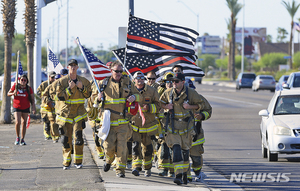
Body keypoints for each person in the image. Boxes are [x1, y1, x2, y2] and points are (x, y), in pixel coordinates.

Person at [160, 72, 206, 185]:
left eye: (176, 81)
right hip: (173, 128)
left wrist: (190, 107)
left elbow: (202, 105)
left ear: (183, 82)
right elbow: (159, 103)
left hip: (187, 129)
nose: (173, 84)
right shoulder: (167, 93)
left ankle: (185, 174)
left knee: (185, 152)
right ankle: (178, 175)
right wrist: (166, 106)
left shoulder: (191, 93)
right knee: (176, 150)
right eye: (172, 81)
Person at [97, 61, 136, 178]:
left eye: (120, 71)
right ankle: (109, 160)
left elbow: (140, 96)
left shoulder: (128, 83)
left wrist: (134, 97)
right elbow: (94, 102)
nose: (118, 74)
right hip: (109, 123)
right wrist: (98, 99)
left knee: (122, 147)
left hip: (123, 123)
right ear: (111, 71)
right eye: (116, 71)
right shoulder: (103, 83)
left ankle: (120, 170)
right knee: (108, 147)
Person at [55, 59, 92, 170]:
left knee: (79, 138)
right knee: (66, 140)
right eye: (71, 66)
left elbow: (88, 94)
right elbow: (59, 97)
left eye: (75, 65)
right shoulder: (62, 82)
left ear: (77, 67)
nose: (73, 67)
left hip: (79, 114)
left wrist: (82, 87)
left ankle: (78, 162)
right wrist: (69, 89)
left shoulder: (84, 81)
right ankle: (66, 162)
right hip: (66, 114)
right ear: (68, 67)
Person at [130, 71, 160, 177]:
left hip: (148, 125)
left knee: (148, 148)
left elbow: (159, 105)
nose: (140, 80)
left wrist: (150, 107)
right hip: (135, 125)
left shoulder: (152, 91)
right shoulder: (130, 90)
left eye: (142, 78)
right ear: (134, 80)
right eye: (137, 78)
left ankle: (147, 168)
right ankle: (136, 167)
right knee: (135, 146)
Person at [7, 74, 36, 145]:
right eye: (22, 80)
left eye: (24, 80)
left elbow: (32, 99)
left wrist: (34, 108)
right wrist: (13, 93)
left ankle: (22, 139)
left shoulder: (28, 88)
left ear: (26, 81)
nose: (23, 81)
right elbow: (8, 93)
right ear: (19, 80)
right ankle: (17, 137)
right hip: (17, 106)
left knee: (24, 123)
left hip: (25, 107)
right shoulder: (16, 86)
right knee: (18, 122)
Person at [42, 69, 69, 143]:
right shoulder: (52, 85)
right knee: (53, 122)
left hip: (66, 108)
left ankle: (67, 137)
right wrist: (48, 102)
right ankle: (55, 137)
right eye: (63, 75)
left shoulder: (70, 84)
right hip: (55, 108)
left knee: (66, 124)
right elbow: (45, 95)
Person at [37, 71, 56, 140]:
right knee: (46, 122)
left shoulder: (57, 84)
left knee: (53, 121)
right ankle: (47, 135)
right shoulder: (44, 84)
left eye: (54, 77)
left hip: (53, 106)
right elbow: (38, 92)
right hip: (45, 106)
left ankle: (54, 135)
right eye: (52, 77)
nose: (53, 79)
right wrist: (45, 95)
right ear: (49, 77)